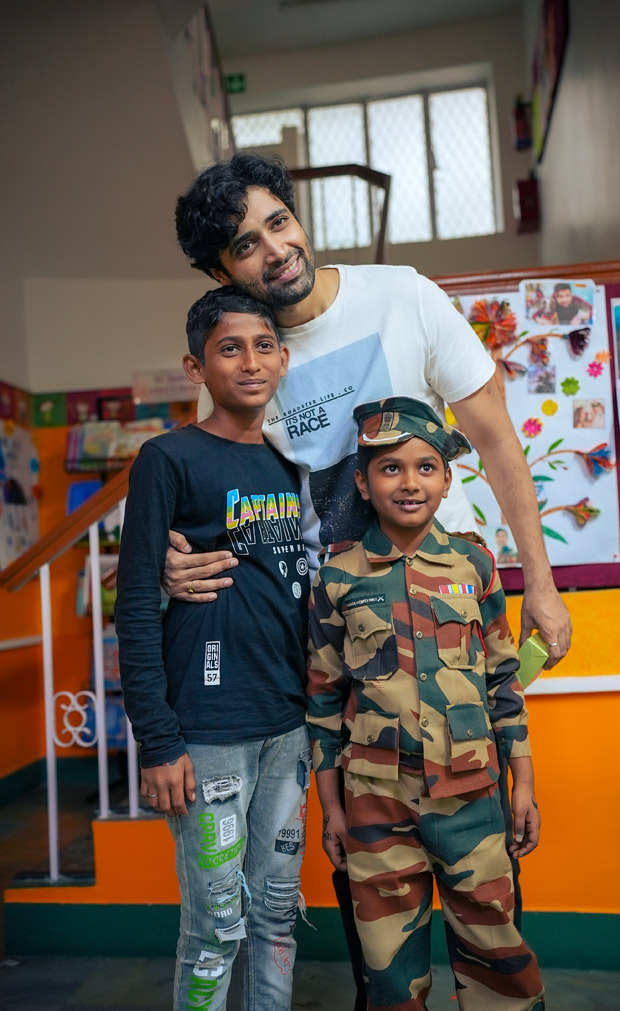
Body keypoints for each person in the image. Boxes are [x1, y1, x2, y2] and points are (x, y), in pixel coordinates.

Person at [306, 396, 545, 1011]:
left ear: (446, 479)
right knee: (387, 973)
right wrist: (332, 809)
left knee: (498, 956)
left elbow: (503, 684)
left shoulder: (474, 564)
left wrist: (522, 787)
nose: (409, 482)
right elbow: (324, 701)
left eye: (425, 467)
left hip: (471, 795)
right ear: (362, 482)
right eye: (389, 468)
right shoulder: (339, 579)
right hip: (374, 802)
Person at [115, 287, 311, 1011]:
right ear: (196, 367)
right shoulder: (166, 458)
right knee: (215, 923)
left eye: (264, 346)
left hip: (289, 726)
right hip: (207, 732)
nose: (251, 362)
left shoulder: (297, 462)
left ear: (285, 358)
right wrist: (158, 740)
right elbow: (134, 602)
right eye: (231, 348)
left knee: (275, 915)